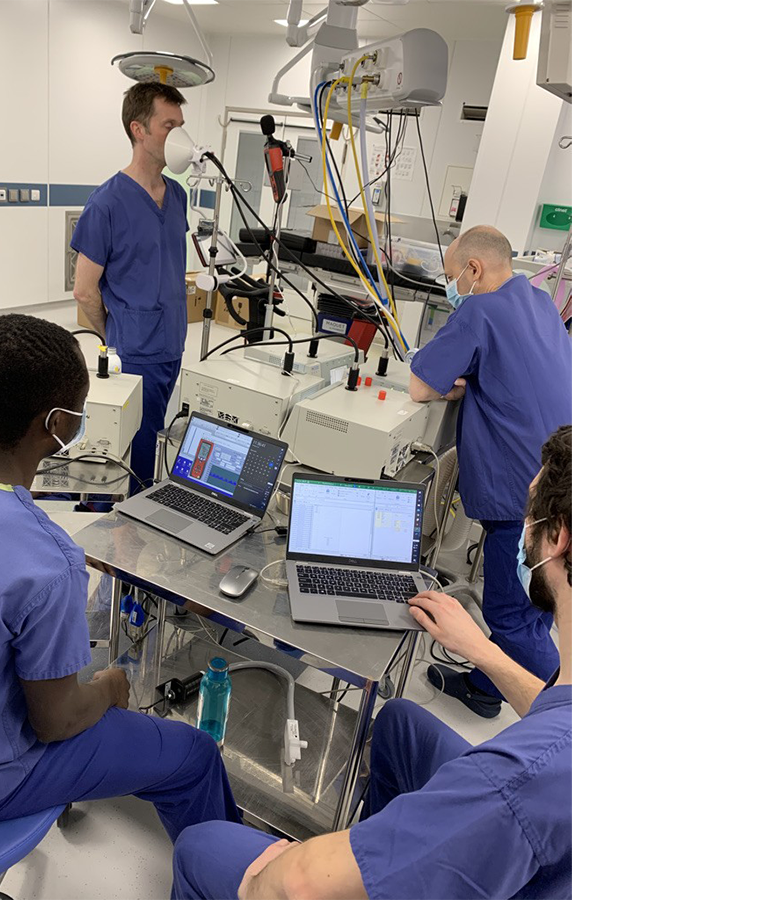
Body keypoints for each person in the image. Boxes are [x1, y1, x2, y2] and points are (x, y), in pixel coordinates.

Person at [170, 426, 573, 900]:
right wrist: (479, 649)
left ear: (556, 537)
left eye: (529, 511)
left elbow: (297, 884)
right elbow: (556, 714)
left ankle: (365, 872)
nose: (522, 526)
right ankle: (369, 846)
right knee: (399, 721)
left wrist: (283, 871)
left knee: (199, 846)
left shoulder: (512, 781)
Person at [0, 313, 240, 841]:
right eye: (80, 413)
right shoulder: (48, 560)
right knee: (194, 755)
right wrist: (106, 688)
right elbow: (55, 722)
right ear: (56, 424)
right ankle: (226, 871)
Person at [407, 225, 572, 718]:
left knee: (511, 619)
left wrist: (455, 384)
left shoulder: (478, 311)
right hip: (561, 480)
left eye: (452, 275)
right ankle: (485, 686)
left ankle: (563, 721)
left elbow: (419, 386)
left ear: (474, 269)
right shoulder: (540, 302)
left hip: (521, 498)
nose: (451, 286)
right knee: (533, 605)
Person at [71, 82, 191, 493]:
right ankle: (130, 524)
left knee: (154, 438)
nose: (179, 135)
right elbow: (84, 290)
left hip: (172, 344)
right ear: (138, 130)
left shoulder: (177, 196)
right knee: (136, 454)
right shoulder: (106, 203)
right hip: (135, 351)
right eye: (169, 125)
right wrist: (115, 336)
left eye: (181, 125)